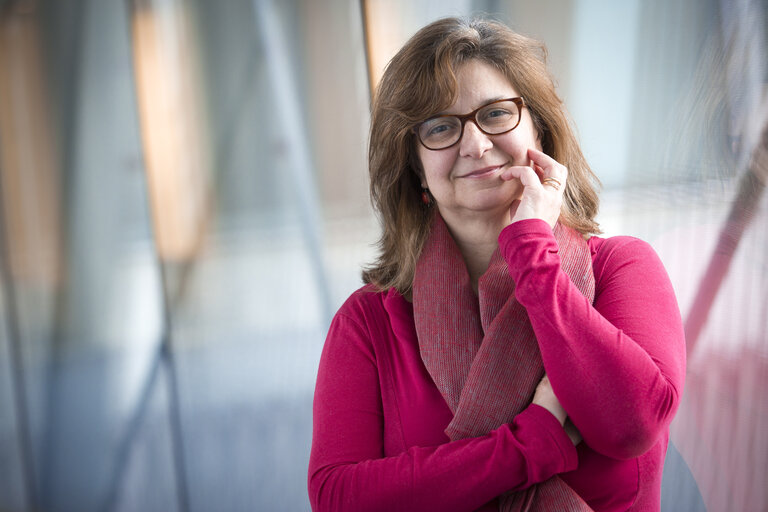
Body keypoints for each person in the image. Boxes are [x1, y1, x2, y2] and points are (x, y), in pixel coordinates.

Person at [308, 16, 685, 512]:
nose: (475, 145)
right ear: (416, 169)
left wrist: (533, 256)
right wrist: (530, 444)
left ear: (540, 132)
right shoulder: (368, 322)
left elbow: (632, 425)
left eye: (495, 114)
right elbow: (340, 499)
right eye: (441, 127)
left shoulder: (622, 269)